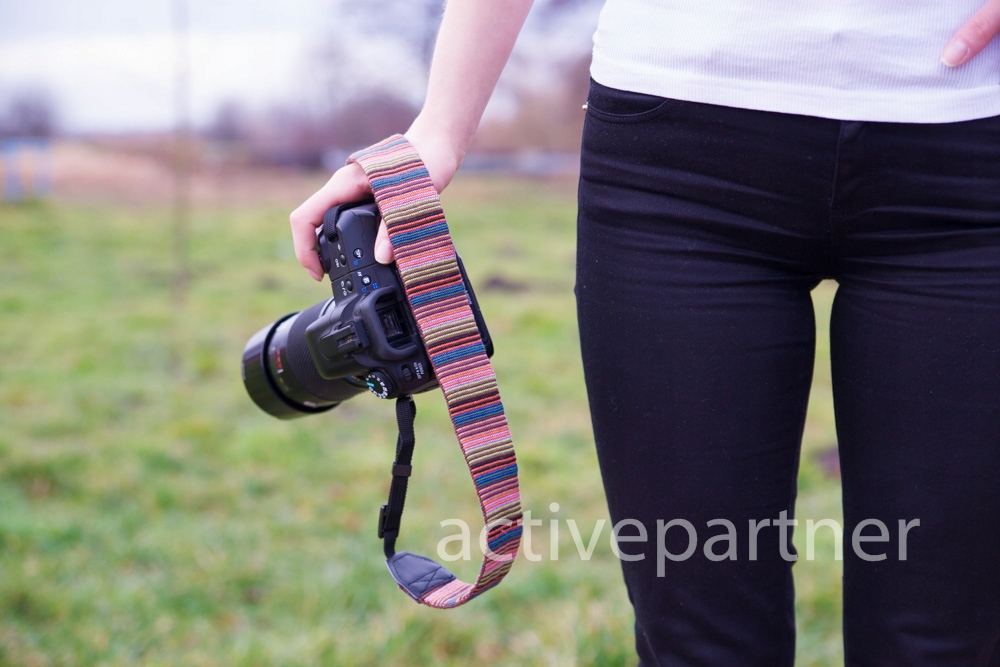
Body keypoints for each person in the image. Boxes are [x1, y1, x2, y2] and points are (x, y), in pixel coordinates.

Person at [290, 2, 1000, 664]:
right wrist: (440, 126)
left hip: (969, 148)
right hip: (676, 163)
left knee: (950, 642)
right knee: (701, 641)